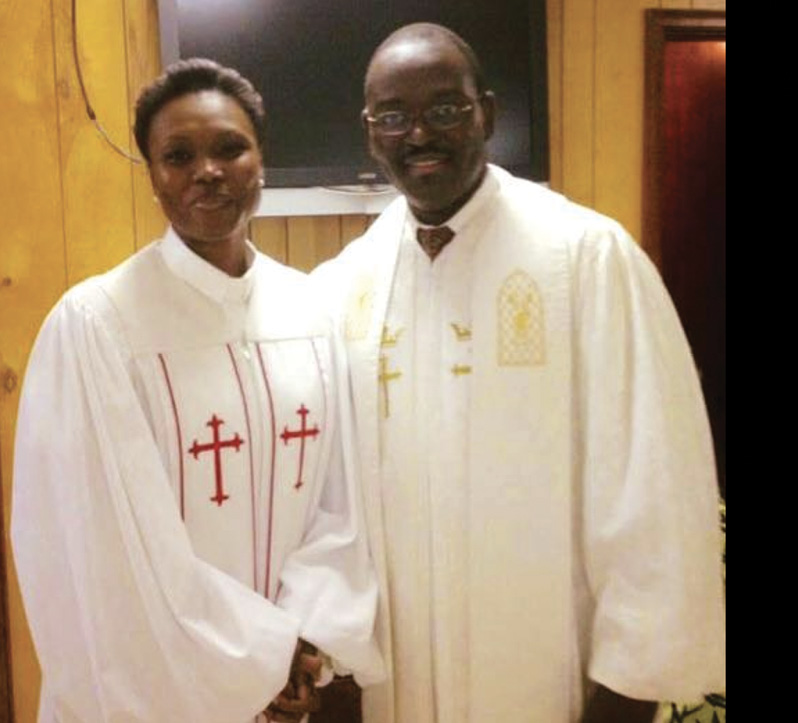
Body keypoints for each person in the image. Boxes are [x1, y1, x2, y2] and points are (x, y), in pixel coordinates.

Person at [310, 22, 726, 723]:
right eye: (394, 116)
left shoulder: (587, 259)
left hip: (547, 674)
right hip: (392, 682)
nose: (420, 134)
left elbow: (653, 475)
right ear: (369, 131)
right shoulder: (343, 286)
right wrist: (334, 660)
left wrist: (631, 683)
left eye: (446, 109)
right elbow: (327, 500)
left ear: (489, 114)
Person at [10, 58, 384, 723]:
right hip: (158, 694)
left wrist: (305, 640)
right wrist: (261, 660)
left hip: (290, 686)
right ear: (152, 175)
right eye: (177, 155)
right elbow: (113, 555)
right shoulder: (98, 325)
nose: (206, 171)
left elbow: (340, 503)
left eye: (229, 148)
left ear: (260, 158)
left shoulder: (311, 313)